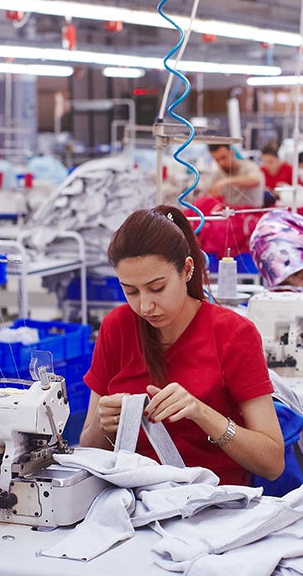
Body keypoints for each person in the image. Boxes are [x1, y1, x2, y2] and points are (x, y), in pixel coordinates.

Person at [80, 206, 284, 486]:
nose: (144, 305)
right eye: (130, 291)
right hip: (135, 499)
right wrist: (104, 426)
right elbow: (88, 447)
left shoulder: (233, 334)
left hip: (213, 505)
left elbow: (272, 463)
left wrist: (201, 413)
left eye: (157, 288)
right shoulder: (117, 327)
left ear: (187, 270)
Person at [203, 144, 265, 208]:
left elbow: (255, 181)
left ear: (232, 153)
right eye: (217, 160)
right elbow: (210, 193)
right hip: (230, 212)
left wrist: (227, 181)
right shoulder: (218, 172)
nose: (221, 163)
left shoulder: (249, 166)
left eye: (223, 157)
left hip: (251, 212)